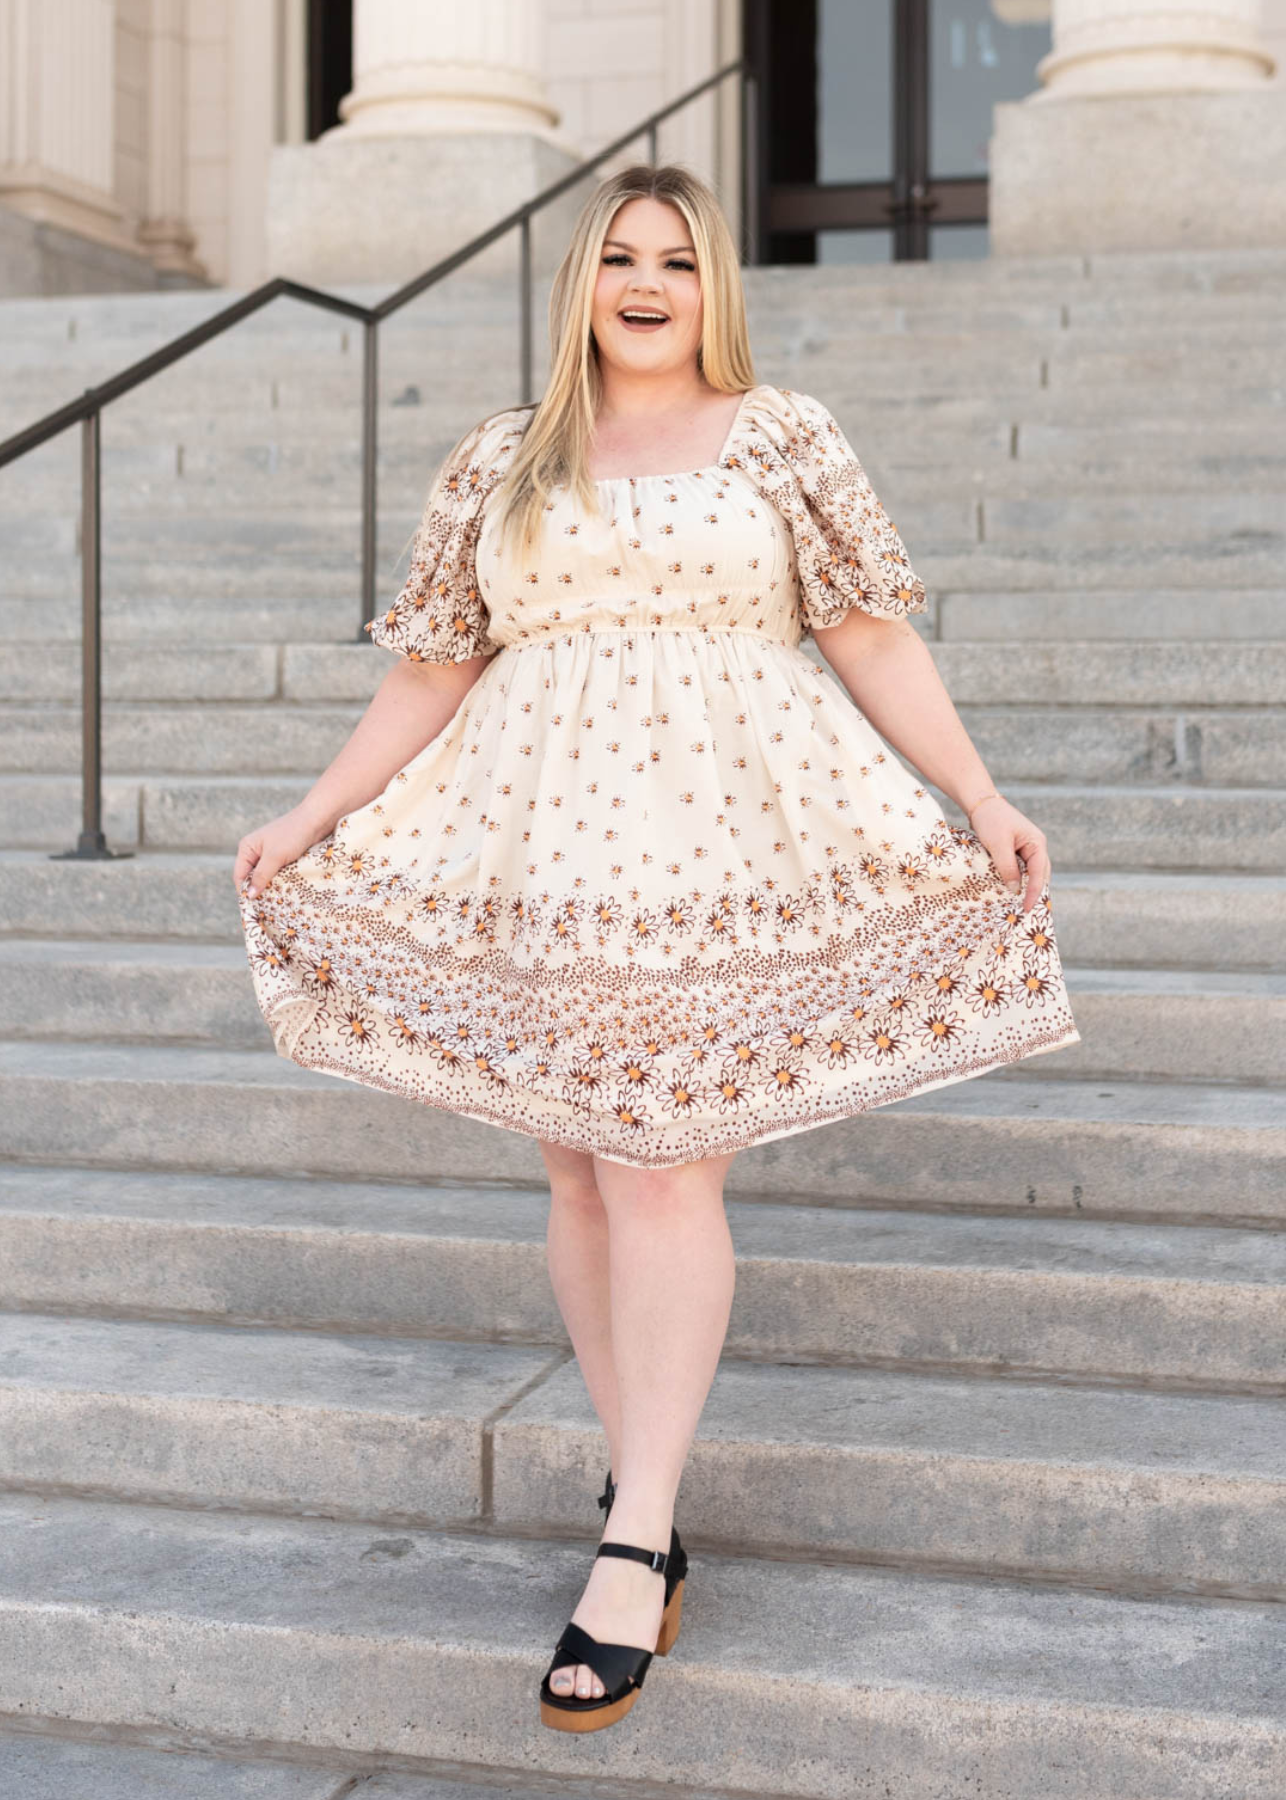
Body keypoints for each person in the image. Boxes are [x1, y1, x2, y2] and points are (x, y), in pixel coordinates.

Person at [234, 163, 1080, 1733]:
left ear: (713, 289)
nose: (645, 282)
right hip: (539, 838)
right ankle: (652, 1498)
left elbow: (870, 633)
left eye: (677, 261)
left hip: (723, 829)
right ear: (579, 282)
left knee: (663, 1160)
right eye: (619, 257)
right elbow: (430, 671)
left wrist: (973, 792)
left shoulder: (780, 434)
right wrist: (309, 812)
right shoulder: (498, 457)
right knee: (574, 1162)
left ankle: (630, 1543)